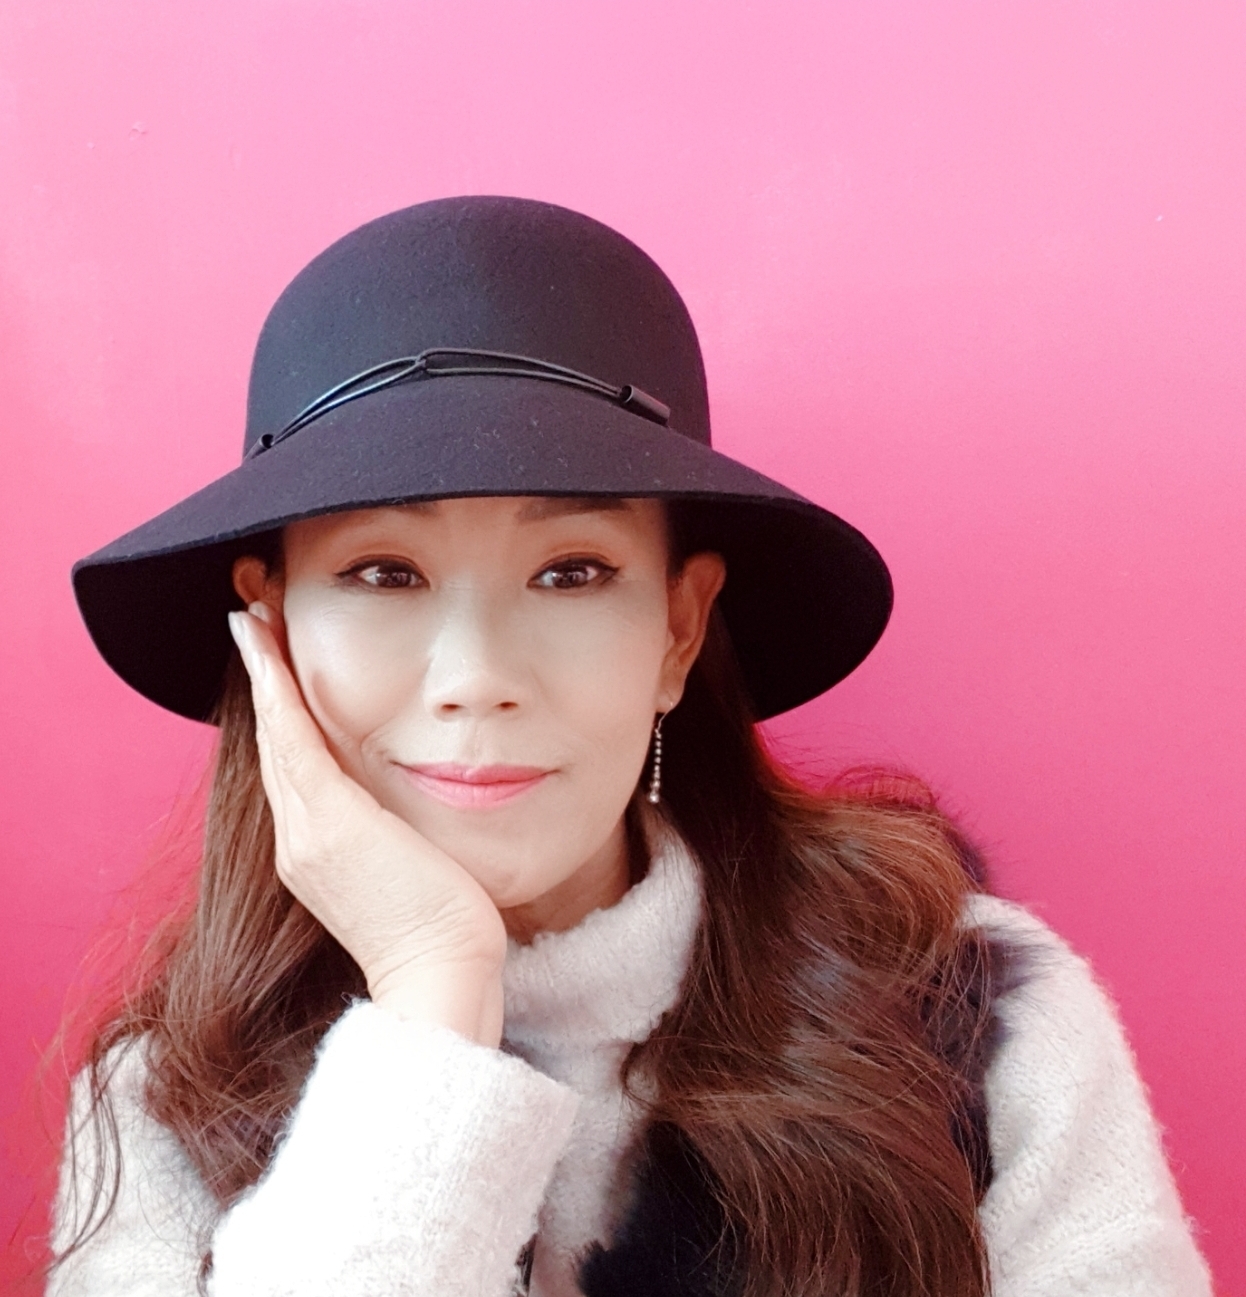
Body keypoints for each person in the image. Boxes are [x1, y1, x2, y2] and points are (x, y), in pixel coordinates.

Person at [50, 197, 1211, 1297]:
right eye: (383, 573)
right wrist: (430, 989)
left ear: (678, 629)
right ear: (270, 627)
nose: (476, 677)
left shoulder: (968, 1019)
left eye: (571, 572)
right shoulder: (163, 1101)